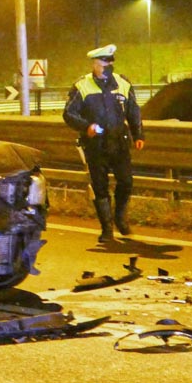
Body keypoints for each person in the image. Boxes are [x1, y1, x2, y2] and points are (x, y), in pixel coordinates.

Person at [63, 44, 145, 243]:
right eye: (103, 62)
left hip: (119, 143)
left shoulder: (123, 83)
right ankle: (106, 228)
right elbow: (69, 114)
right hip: (95, 145)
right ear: (95, 64)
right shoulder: (82, 86)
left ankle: (120, 218)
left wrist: (139, 134)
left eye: (110, 62)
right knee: (100, 187)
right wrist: (86, 127)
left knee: (126, 182)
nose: (107, 65)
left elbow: (133, 111)